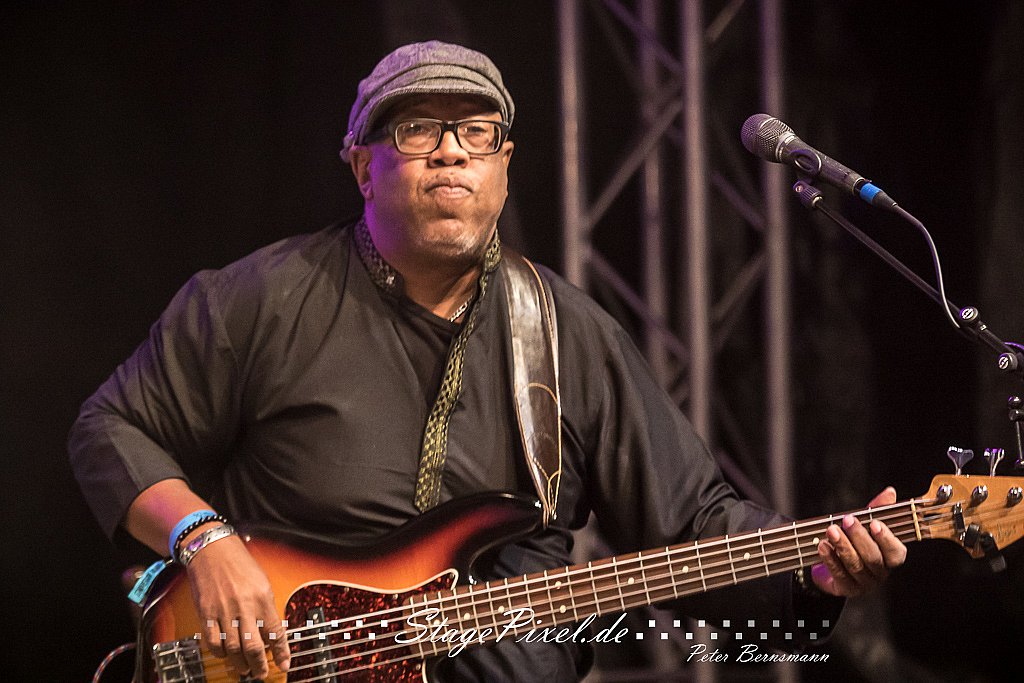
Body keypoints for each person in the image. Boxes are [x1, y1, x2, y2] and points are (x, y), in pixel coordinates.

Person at [69, 40, 906, 682]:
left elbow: (692, 525)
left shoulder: (569, 333)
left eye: (477, 132)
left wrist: (815, 570)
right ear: (362, 166)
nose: (452, 151)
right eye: (417, 129)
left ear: (504, 166)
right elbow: (111, 427)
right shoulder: (260, 298)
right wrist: (203, 539)